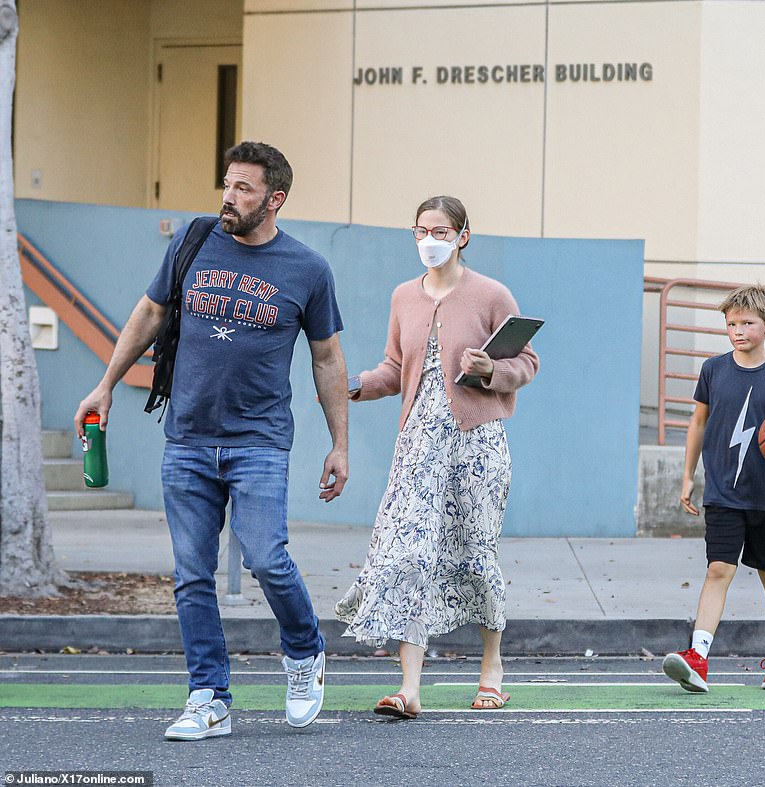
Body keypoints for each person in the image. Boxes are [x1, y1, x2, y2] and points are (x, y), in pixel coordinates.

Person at [74, 141, 348, 740]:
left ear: (274, 199)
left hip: (260, 441)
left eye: (244, 188)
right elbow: (148, 315)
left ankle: (304, 651)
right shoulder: (193, 241)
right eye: (227, 183)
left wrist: (339, 443)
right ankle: (209, 696)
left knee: (267, 559)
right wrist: (106, 386)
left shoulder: (307, 269)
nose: (229, 196)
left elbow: (327, 360)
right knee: (192, 574)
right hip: (189, 438)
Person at [335, 195, 538, 719]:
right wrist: (354, 386)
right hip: (418, 444)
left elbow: (527, 361)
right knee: (411, 553)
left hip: (477, 442)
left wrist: (491, 369)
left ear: (463, 235)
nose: (431, 240)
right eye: (422, 230)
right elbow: (393, 366)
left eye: (442, 231)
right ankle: (409, 687)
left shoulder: (492, 294)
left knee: (477, 552)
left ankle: (492, 672)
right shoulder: (404, 295)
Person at [662, 284, 765, 693]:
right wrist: (688, 474)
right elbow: (698, 423)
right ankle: (698, 658)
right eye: (731, 323)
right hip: (723, 491)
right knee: (718, 568)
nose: (738, 330)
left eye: (747, 323)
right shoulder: (713, 369)